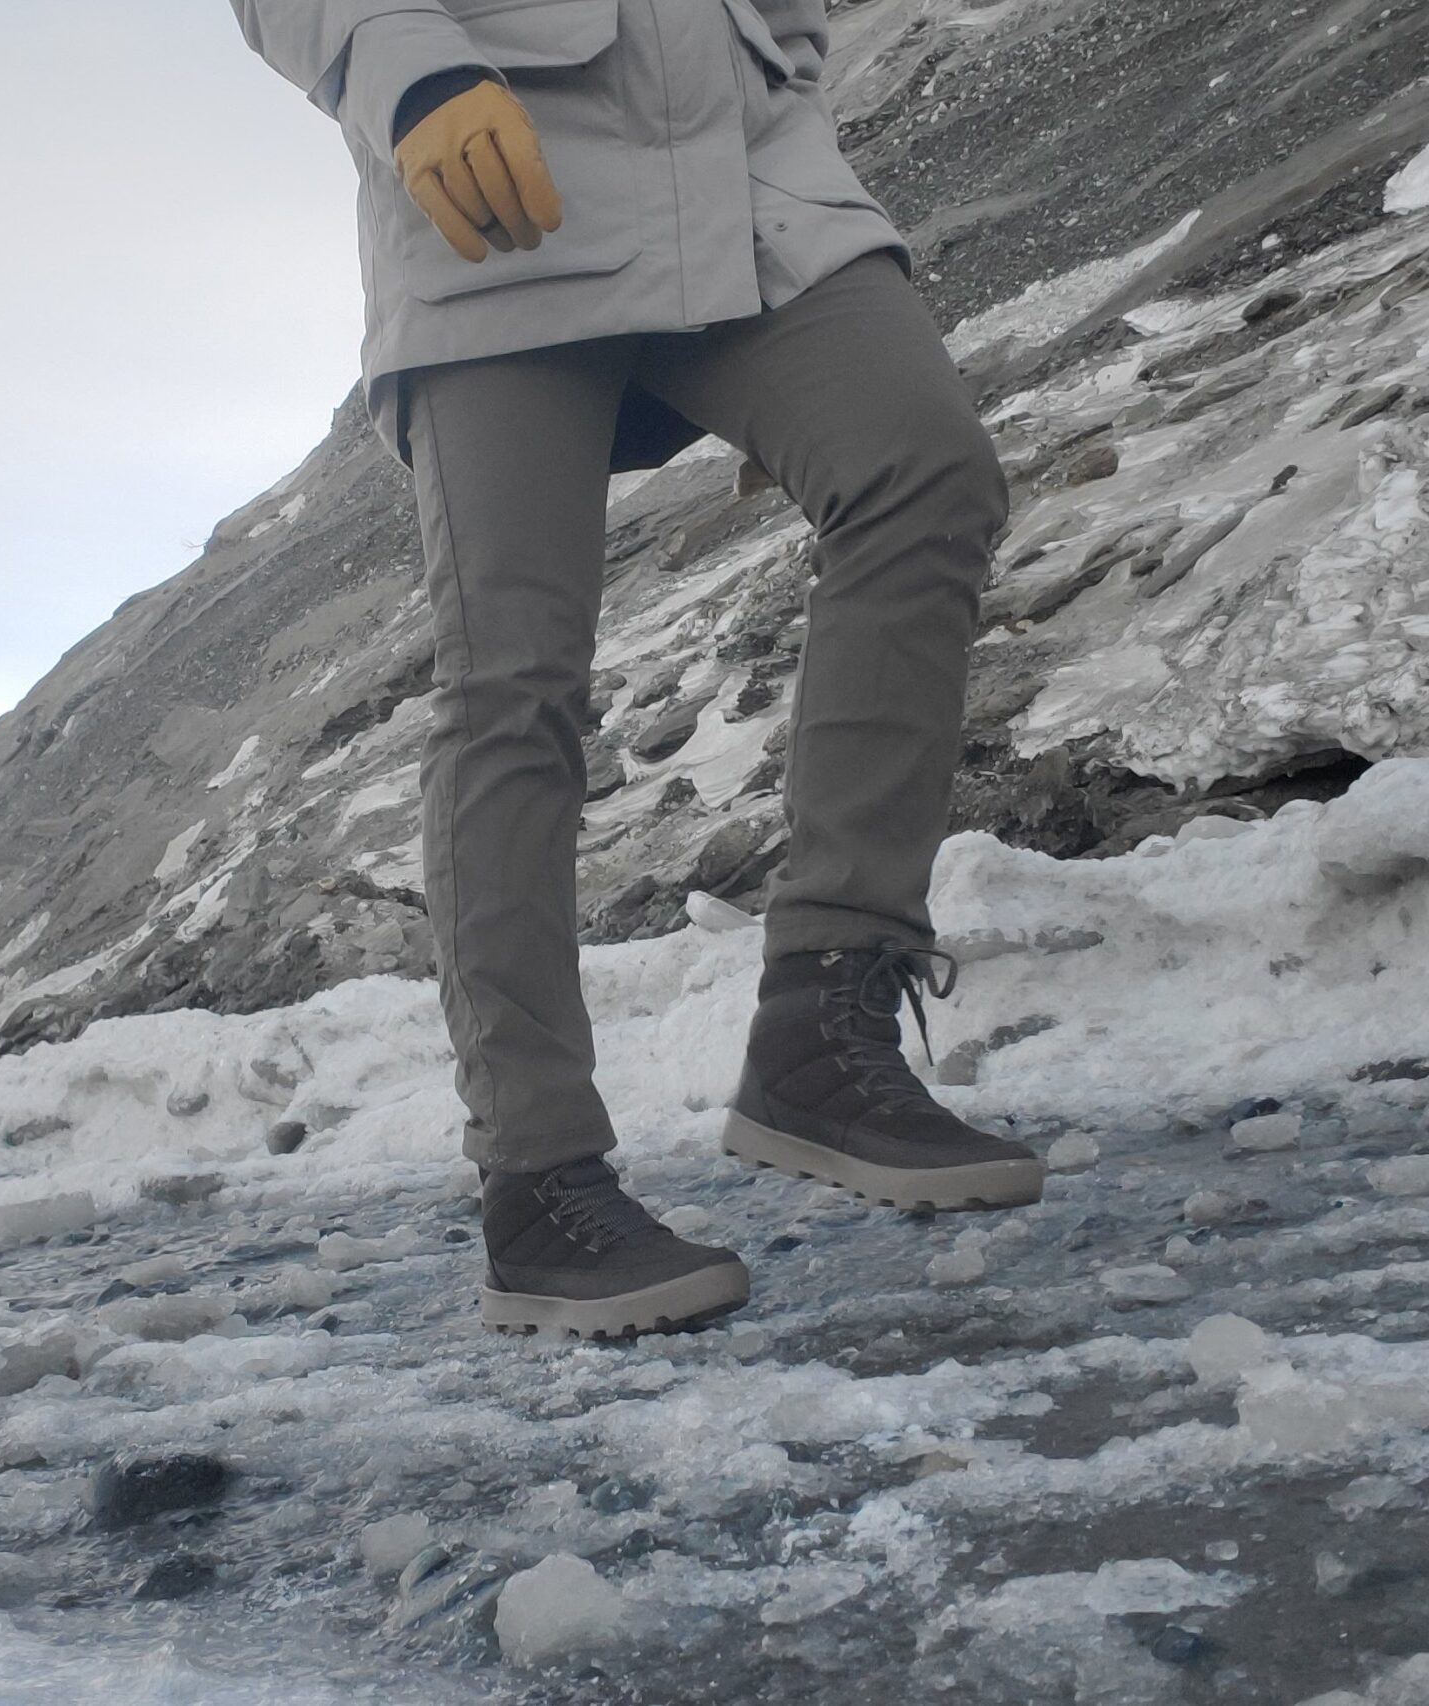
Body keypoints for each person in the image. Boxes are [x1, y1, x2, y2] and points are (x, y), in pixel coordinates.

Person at [227, 0, 1044, 1338]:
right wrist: (401, 62)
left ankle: (822, 1035)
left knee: (924, 468)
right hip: (497, 160)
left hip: (748, 159)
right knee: (513, 675)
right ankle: (540, 1181)